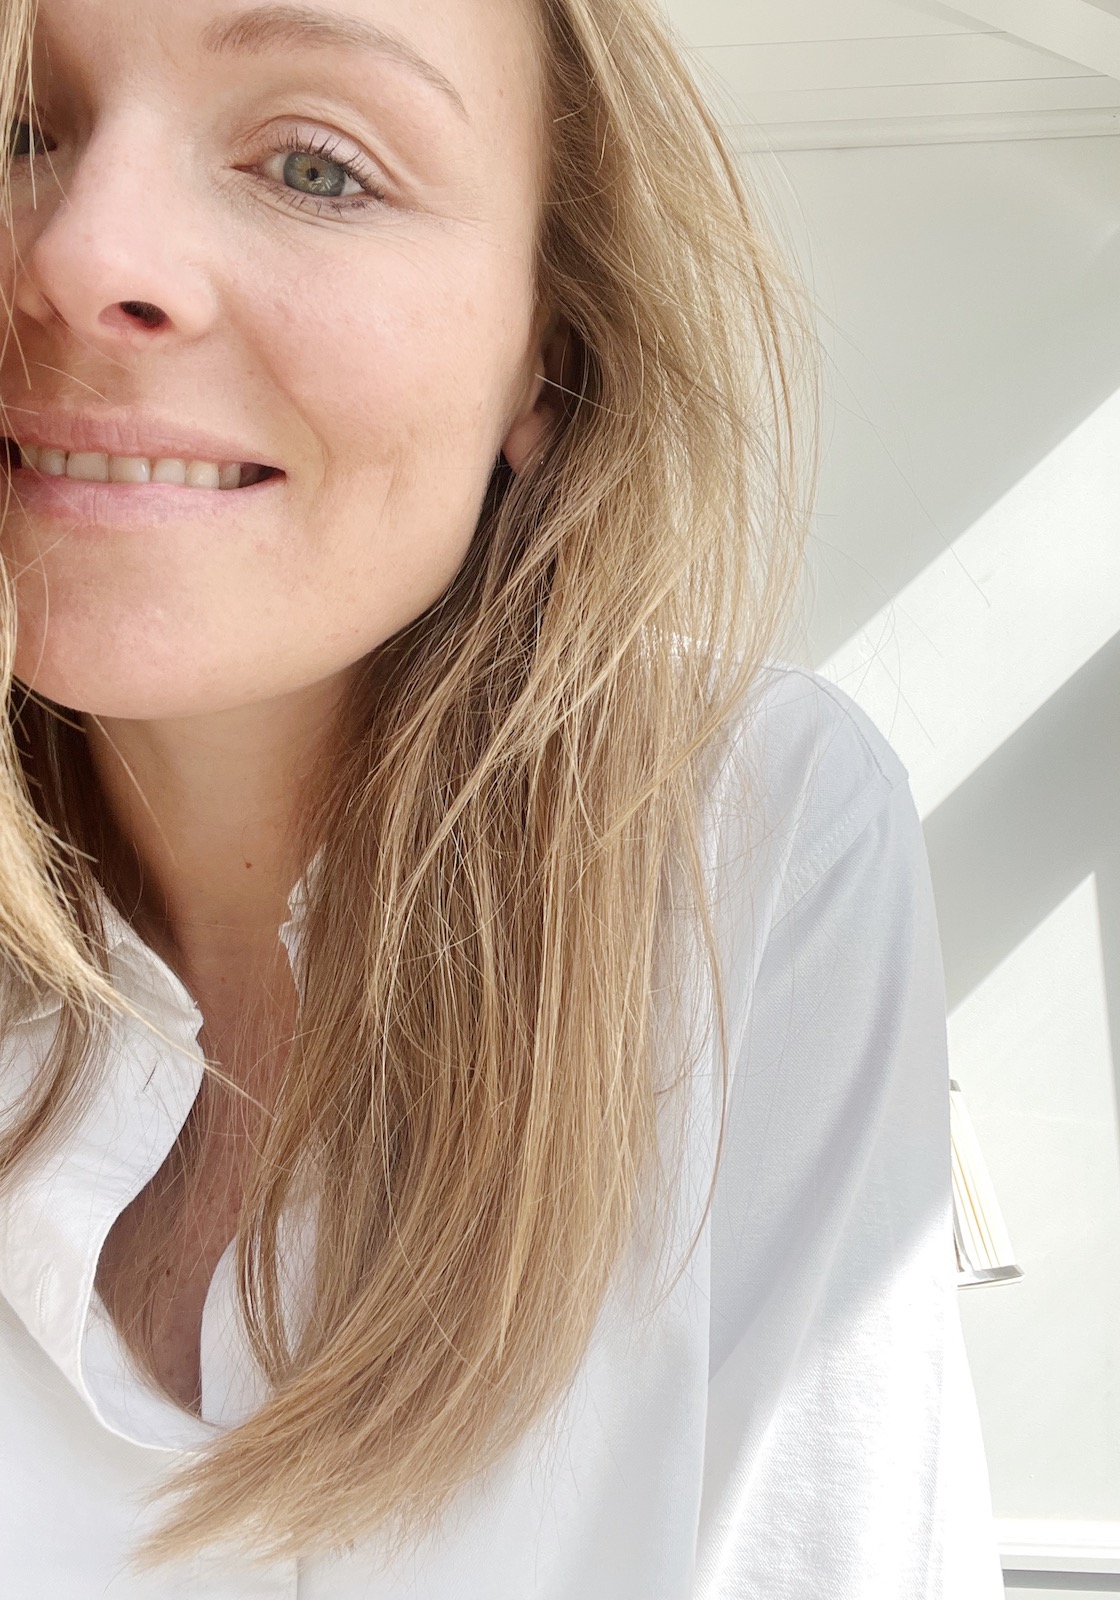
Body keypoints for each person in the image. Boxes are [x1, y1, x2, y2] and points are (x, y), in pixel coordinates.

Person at [0, 0, 1005, 1594]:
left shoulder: (739, 835)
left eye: (316, 166)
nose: (72, 254)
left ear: (549, 351)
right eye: (14, 131)